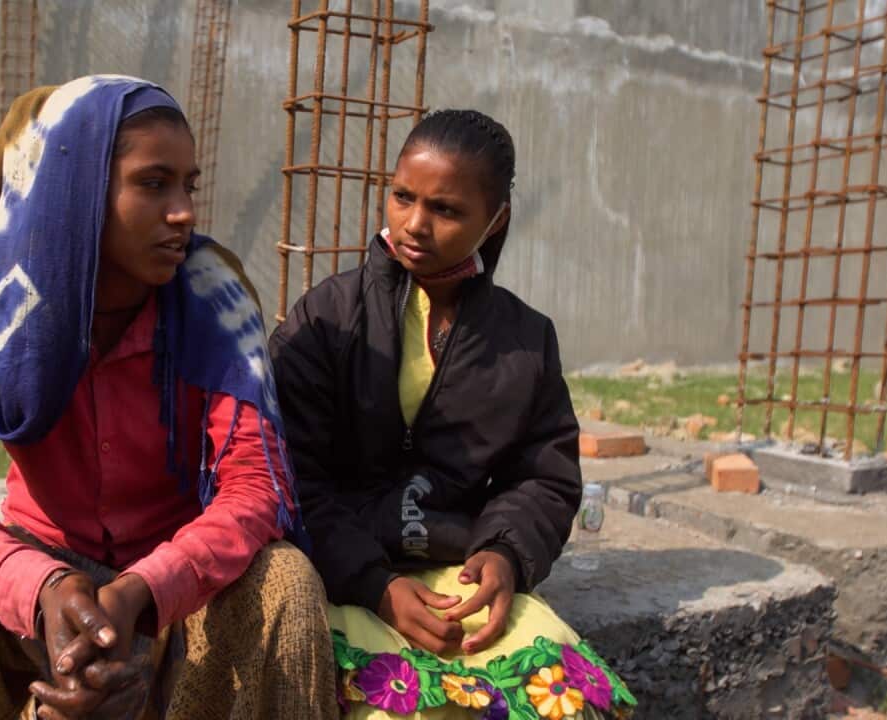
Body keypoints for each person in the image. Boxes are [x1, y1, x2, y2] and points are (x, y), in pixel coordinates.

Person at [0, 75, 336, 720]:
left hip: (176, 595)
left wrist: (144, 591)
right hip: (37, 588)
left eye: (187, 185)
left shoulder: (214, 303)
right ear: (73, 191)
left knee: (284, 583)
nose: (185, 212)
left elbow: (255, 488)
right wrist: (40, 585)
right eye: (152, 183)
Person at [270, 109, 635, 719]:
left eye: (446, 210)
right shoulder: (326, 320)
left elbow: (542, 477)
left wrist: (504, 555)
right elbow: (287, 471)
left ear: (497, 220)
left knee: (564, 703)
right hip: (340, 573)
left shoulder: (524, 341)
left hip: (457, 583)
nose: (415, 224)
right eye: (402, 197)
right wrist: (375, 587)